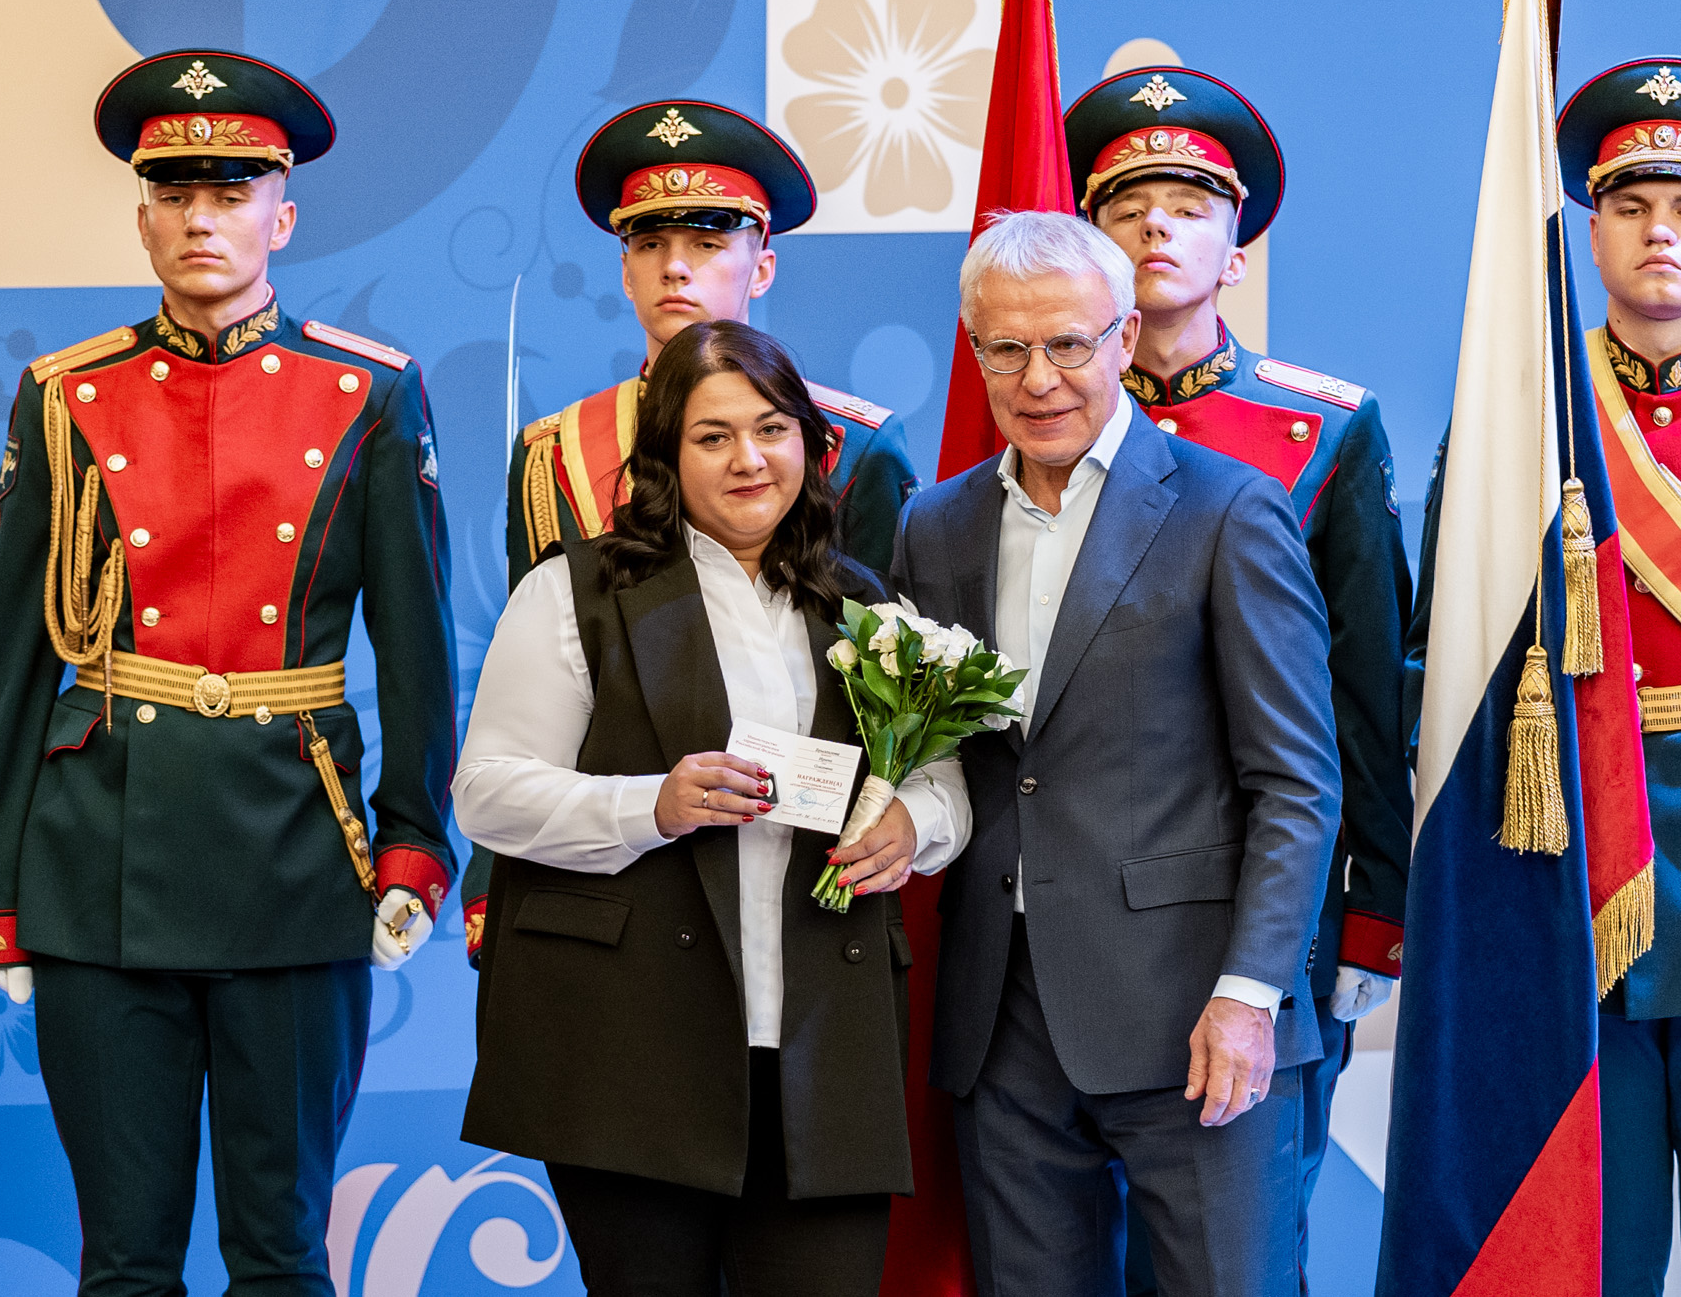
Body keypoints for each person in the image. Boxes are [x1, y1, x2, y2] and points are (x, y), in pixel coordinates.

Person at [0, 50, 457, 1294]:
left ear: (280, 217)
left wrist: (413, 842)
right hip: (96, 862)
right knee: (124, 1260)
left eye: (231, 194)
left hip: (294, 852)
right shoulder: (64, 395)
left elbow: (415, 649)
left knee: (282, 1254)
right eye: (174, 194)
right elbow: (15, 661)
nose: (201, 219)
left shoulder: (370, 391)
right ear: (141, 219)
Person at [455, 320, 971, 1297]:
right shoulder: (574, 591)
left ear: (810, 446)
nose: (749, 459)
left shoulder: (864, 605)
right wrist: (650, 804)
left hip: (825, 1053)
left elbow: (941, 780)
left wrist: (916, 824)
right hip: (631, 1048)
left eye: (772, 430)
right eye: (712, 436)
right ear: (664, 452)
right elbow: (487, 791)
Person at [893, 210, 1339, 1297]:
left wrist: (1250, 994)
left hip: (1197, 1015)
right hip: (1002, 1021)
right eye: (1006, 348)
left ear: (1125, 336)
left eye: (1067, 343)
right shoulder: (933, 525)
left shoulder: (1230, 509)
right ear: (974, 351)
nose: (1037, 378)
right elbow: (941, 759)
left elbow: (1294, 784)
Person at [1064, 66, 1414, 1284]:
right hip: (1079, 894)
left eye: (1186, 207)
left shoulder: (1322, 428)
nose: (1154, 228)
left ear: (1237, 250)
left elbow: (1366, 689)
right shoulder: (1039, 423)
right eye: (1124, 208)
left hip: (1267, 890)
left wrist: (1375, 905)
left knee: (1250, 1240)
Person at [462, 99, 918, 961]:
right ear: (624, 270)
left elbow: (889, 683)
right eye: (650, 244)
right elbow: (521, 702)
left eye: (708, 243)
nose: (676, 267)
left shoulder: (853, 447)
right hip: (609, 889)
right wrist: (492, 879)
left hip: (800, 880)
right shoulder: (554, 451)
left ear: (763, 265)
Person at [1556, 56, 1681, 1294]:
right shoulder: (1533, 413)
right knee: (1608, 1241)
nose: (1659, 233)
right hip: (1601, 843)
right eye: (1631, 206)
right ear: (1589, 231)